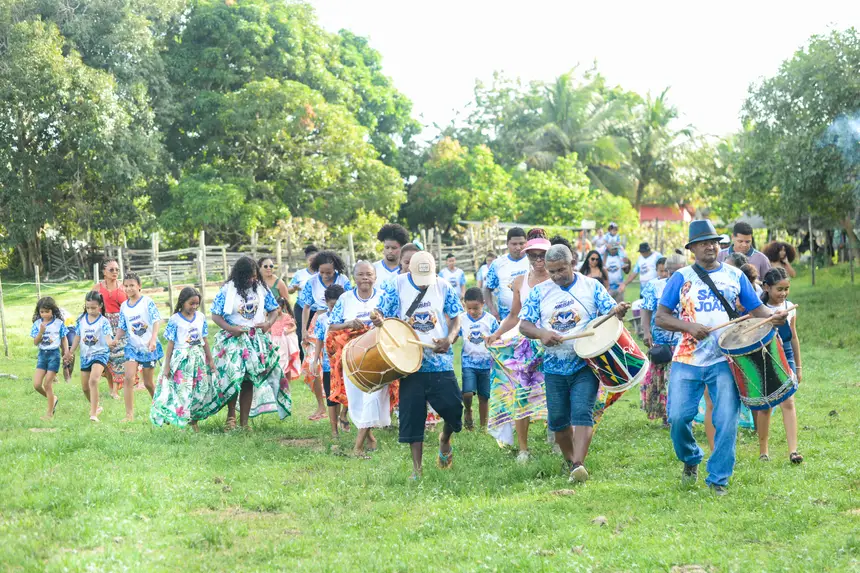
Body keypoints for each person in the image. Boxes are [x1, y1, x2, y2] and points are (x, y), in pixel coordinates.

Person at [656, 220, 787, 495]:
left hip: (725, 358)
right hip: (687, 358)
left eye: (714, 241)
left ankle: (718, 479)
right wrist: (689, 327)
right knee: (678, 417)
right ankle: (691, 458)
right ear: (692, 248)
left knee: (727, 419)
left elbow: (756, 309)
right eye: (703, 242)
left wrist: (774, 317)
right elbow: (661, 317)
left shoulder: (735, 276)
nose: (710, 246)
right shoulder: (681, 278)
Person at [519, 244, 630, 483]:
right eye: (552, 271)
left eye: (561, 270)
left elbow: (611, 312)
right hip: (553, 366)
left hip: (585, 363)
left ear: (572, 263)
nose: (557, 276)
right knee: (558, 419)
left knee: (582, 412)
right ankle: (571, 463)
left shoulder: (590, 286)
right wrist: (542, 334)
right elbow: (524, 325)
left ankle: (579, 462)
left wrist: (618, 310)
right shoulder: (540, 292)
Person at [373, 251, 464, 479]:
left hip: (439, 359)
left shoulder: (443, 286)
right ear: (408, 269)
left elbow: (455, 317)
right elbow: (381, 314)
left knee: (454, 408)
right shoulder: (397, 285)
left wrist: (449, 338)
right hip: (409, 361)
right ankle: (417, 469)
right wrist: (377, 318)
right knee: (413, 416)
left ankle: (444, 439)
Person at [484, 230, 552, 460]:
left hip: (553, 343)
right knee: (522, 394)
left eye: (542, 255)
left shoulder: (557, 278)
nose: (538, 260)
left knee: (555, 393)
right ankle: (523, 448)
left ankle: (557, 436)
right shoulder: (520, 281)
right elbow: (514, 316)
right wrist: (497, 333)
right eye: (533, 256)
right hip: (526, 346)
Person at [211, 256, 291, 430]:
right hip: (233, 339)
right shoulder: (227, 290)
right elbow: (215, 315)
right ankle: (231, 416)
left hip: (255, 339)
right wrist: (231, 328)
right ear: (240, 276)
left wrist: (268, 323)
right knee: (233, 377)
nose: (253, 280)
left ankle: (244, 422)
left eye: (255, 276)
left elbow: (274, 310)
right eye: (249, 277)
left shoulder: (261, 288)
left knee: (248, 380)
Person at [329, 262, 387, 455]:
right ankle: (370, 438)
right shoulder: (345, 298)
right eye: (360, 274)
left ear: (375, 277)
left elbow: (395, 320)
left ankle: (358, 446)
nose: (365, 278)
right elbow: (332, 326)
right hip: (353, 356)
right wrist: (349, 323)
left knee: (373, 396)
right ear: (354, 278)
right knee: (356, 401)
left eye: (369, 274)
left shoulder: (383, 296)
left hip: (378, 355)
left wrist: (381, 321)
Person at [150, 287, 218, 431]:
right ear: (182, 302)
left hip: (198, 359)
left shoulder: (200, 317)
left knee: (197, 392)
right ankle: (181, 422)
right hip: (182, 360)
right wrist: (167, 365)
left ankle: (193, 421)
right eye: (191, 303)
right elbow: (171, 344)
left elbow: (204, 339)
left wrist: (210, 360)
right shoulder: (175, 320)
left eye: (196, 304)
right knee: (182, 392)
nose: (194, 307)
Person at [757, 268, 802, 464]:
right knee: (766, 406)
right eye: (779, 289)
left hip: (786, 355)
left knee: (788, 402)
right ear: (766, 287)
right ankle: (763, 451)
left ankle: (793, 451)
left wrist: (798, 366)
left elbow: (793, 336)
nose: (783, 293)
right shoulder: (757, 309)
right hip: (765, 355)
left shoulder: (790, 307)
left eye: (787, 288)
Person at [639, 253, 685, 426]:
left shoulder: (691, 287)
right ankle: (666, 415)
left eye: (679, 272)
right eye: (671, 272)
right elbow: (646, 308)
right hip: (661, 342)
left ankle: (677, 415)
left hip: (683, 342)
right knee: (660, 381)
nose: (674, 276)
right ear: (666, 271)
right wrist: (646, 332)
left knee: (677, 379)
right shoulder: (655, 286)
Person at [112, 273, 163, 422]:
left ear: (139, 286)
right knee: (128, 378)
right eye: (126, 286)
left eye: (132, 285)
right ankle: (129, 415)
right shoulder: (124, 306)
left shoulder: (147, 302)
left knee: (148, 383)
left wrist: (153, 339)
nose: (129, 288)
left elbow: (156, 321)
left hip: (148, 347)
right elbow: (122, 327)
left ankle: (161, 409)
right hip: (132, 346)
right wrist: (115, 339)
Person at [65, 292, 113, 422]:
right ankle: (96, 406)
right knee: (85, 388)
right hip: (86, 356)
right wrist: (71, 351)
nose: (90, 310)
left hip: (100, 354)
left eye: (93, 307)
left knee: (93, 380)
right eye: (88, 307)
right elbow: (77, 336)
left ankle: (93, 414)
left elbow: (108, 338)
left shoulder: (104, 322)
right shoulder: (81, 319)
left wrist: (111, 343)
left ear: (100, 306)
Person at [459, 287, 499, 432]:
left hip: (486, 364)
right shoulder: (461, 319)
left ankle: (483, 426)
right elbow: (452, 334)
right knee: (467, 392)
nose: (472, 311)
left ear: (483, 303)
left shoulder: (490, 320)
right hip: (468, 362)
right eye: (468, 308)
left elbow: (498, 337)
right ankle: (468, 410)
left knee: (484, 396)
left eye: (475, 308)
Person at [92, 258, 133, 399]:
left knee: (119, 358)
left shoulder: (123, 288)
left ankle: (116, 390)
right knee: (107, 358)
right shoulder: (97, 288)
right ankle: (111, 388)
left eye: (117, 269)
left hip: (121, 326)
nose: (115, 272)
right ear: (104, 272)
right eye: (111, 269)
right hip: (103, 325)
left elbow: (130, 307)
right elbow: (90, 306)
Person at [312, 284, 347, 439]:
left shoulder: (348, 316)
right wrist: (315, 360)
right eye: (332, 305)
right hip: (329, 364)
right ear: (326, 303)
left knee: (347, 394)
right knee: (331, 397)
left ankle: (344, 415)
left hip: (347, 362)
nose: (335, 308)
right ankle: (334, 430)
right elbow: (319, 340)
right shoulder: (322, 319)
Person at [260, 256, 300, 382]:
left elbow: (286, 303)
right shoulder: (256, 282)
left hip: (277, 318)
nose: (269, 268)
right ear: (259, 267)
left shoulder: (279, 283)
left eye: (271, 266)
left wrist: (288, 321)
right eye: (265, 266)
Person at [299, 250, 352, 345]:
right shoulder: (312, 282)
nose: (325, 276)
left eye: (329, 273)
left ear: (335, 268)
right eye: (321, 272)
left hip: (340, 323)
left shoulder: (343, 280)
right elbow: (306, 307)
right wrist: (303, 330)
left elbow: (350, 303)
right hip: (319, 322)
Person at [31, 297, 69, 420]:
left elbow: (64, 338)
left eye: (47, 311)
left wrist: (66, 352)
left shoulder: (59, 323)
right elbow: (35, 342)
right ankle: (53, 399)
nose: (44, 314)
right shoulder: (37, 324)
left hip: (54, 355)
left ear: (53, 311)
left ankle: (49, 413)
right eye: (42, 312)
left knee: (47, 383)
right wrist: (41, 332)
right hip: (42, 355)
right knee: (37, 384)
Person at [483, 227, 529, 321]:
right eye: (514, 244)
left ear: (526, 243)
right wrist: (493, 310)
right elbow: (487, 288)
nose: (518, 247)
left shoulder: (533, 260)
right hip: (506, 318)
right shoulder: (497, 264)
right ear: (507, 243)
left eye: (521, 243)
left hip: (531, 316)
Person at [288, 245, 319, 361]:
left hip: (318, 309)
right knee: (301, 334)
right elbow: (289, 290)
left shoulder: (322, 273)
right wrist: (294, 288)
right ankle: (301, 360)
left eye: (315, 259)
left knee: (316, 334)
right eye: (311, 260)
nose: (313, 262)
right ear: (306, 260)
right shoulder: (300, 274)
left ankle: (315, 359)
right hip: (301, 307)